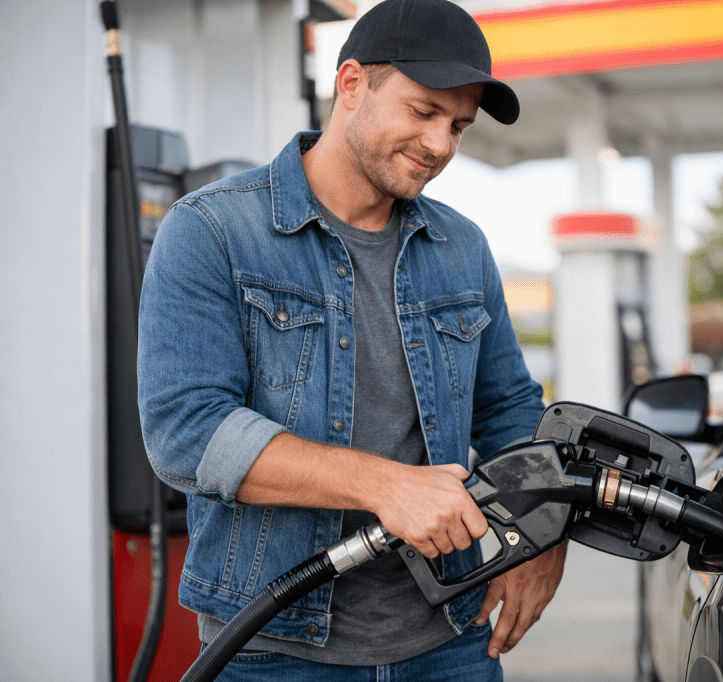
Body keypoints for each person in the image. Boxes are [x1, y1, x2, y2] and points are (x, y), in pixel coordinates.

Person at [136, 0, 567, 679]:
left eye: (458, 125)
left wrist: (544, 541)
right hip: (275, 645)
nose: (441, 145)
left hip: (450, 638)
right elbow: (187, 432)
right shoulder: (213, 231)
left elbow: (511, 413)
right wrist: (384, 486)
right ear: (351, 85)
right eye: (423, 112)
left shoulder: (462, 248)